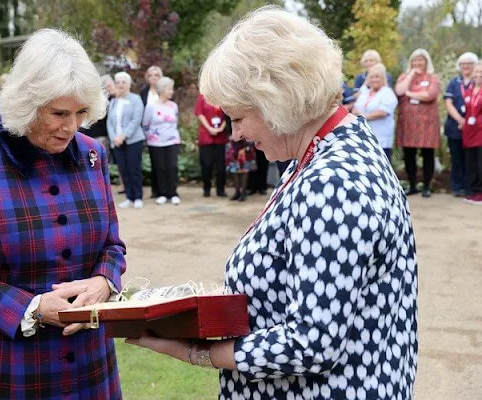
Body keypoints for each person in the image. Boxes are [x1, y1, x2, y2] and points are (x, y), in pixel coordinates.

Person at [127, 7, 418, 400]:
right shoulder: (325, 153)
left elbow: (311, 343)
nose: (237, 133)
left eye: (240, 116)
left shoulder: (332, 181)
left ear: (278, 98)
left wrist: (198, 353)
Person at [0, 28, 127, 399]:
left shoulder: (92, 156)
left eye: (81, 112)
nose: (71, 126)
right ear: (28, 102)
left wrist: (104, 280)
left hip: (90, 361)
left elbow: (112, 246)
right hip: (10, 368)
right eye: (59, 113)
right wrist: (32, 307)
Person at [395, 48, 441, 197]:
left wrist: (410, 94)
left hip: (427, 123)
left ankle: (426, 186)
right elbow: (399, 91)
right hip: (408, 122)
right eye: (415, 60)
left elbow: (430, 95)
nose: (417, 62)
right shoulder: (404, 76)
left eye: (421, 60)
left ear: (426, 61)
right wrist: (411, 75)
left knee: (427, 153)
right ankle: (413, 185)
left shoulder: (433, 77)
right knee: (409, 155)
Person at [107, 71, 146, 209]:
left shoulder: (135, 98)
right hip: (117, 142)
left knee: (134, 169)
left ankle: (138, 197)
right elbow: (109, 123)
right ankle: (129, 197)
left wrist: (123, 136)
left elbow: (136, 119)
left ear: (129, 84)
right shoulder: (113, 102)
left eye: (123, 82)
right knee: (123, 170)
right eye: (118, 82)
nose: (120, 84)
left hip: (133, 140)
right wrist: (114, 138)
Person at [142, 76, 181, 205]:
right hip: (155, 142)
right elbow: (145, 124)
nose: (171, 91)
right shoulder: (150, 107)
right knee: (160, 167)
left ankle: (173, 193)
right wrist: (149, 138)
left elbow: (175, 123)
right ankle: (162, 193)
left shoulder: (174, 106)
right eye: (169, 89)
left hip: (172, 141)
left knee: (172, 167)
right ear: (162, 90)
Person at [444, 52, 478, 197]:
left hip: (474, 128)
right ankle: (457, 186)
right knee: (456, 158)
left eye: (469, 64)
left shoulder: (478, 82)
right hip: (455, 126)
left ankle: (470, 187)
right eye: (463, 64)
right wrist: (460, 120)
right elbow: (448, 103)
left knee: (471, 159)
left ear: (474, 66)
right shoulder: (453, 82)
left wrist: (468, 122)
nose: (466, 66)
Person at [352, 63, 398, 162]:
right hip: (364, 137)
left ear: (383, 79)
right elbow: (355, 108)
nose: (374, 79)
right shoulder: (365, 94)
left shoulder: (387, 93)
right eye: (371, 77)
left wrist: (364, 116)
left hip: (381, 138)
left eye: (377, 77)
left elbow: (383, 112)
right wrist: (356, 113)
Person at [194, 93, 228, 197]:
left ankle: (220, 189)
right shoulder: (202, 96)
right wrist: (209, 128)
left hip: (221, 136)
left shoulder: (224, 95)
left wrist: (222, 127)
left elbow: (229, 114)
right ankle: (206, 188)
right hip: (206, 135)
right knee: (206, 164)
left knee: (221, 166)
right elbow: (200, 114)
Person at [140, 65, 164, 199]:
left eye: (156, 75)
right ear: (147, 77)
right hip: (149, 133)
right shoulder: (143, 93)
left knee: (164, 163)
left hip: (165, 132)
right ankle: (155, 190)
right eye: (151, 75)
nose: (153, 77)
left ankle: (164, 190)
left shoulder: (165, 91)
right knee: (154, 161)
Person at [461, 62, 482, 205]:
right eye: (477, 72)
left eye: (481, 72)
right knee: (471, 163)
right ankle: (473, 191)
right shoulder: (469, 90)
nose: (478, 75)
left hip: (481, 130)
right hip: (469, 132)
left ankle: (480, 193)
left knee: (481, 163)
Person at [79, 74, 114, 154]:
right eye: (107, 86)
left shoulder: (113, 99)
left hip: (100, 134)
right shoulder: (98, 100)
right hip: (92, 134)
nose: (109, 88)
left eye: (110, 85)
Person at [225, 129, 256, 202]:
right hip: (233, 145)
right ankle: (237, 192)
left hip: (245, 144)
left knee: (244, 170)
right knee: (234, 169)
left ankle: (243, 193)